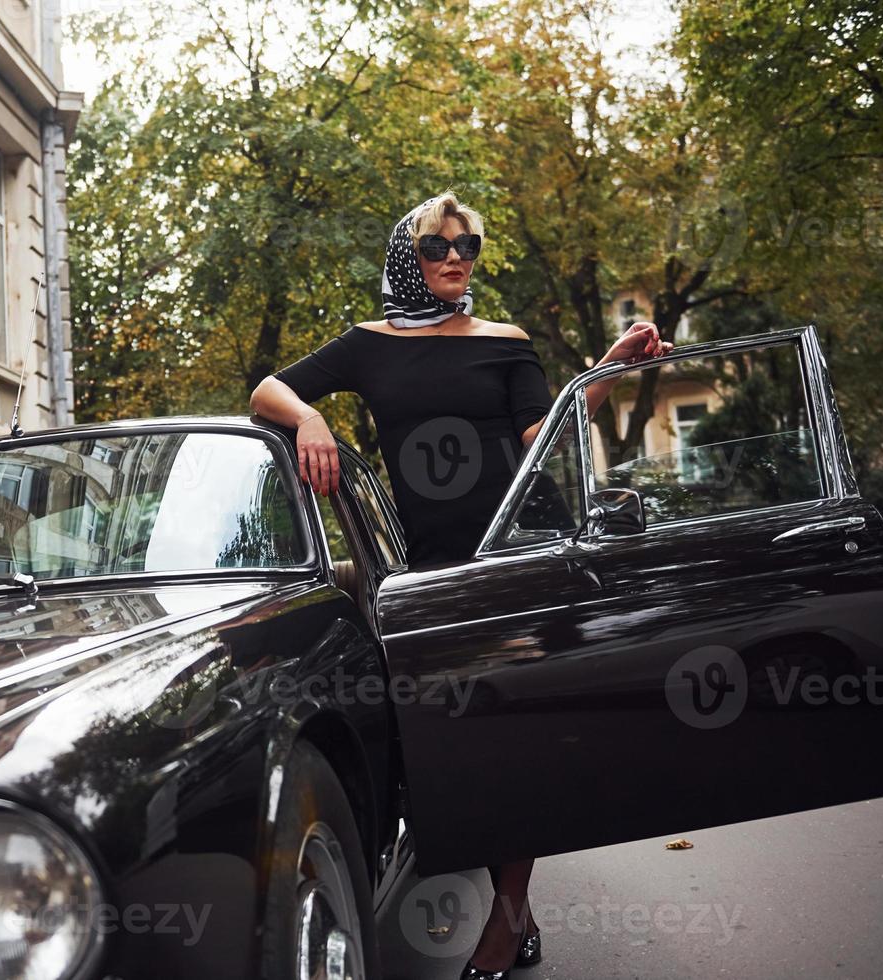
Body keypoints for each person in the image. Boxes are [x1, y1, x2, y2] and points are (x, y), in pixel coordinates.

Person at [248, 191, 672, 978]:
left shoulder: (505, 340)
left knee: (517, 745)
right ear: (407, 257)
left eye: (469, 247)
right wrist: (310, 419)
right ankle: (519, 913)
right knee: (460, 751)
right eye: (439, 246)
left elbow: (544, 438)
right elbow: (265, 390)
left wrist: (605, 372)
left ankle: (505, 928)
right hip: (433, 575)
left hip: (517, 558)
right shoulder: (368, 346)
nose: (455, 258)